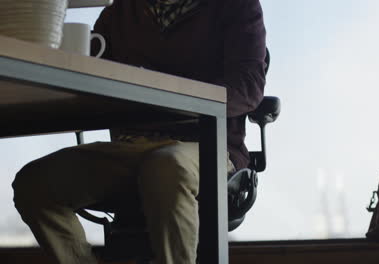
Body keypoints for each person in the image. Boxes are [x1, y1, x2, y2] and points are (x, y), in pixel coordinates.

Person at [12, 0, 266, 263]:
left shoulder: (235, 6)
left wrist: (170, 97)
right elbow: (96, 79)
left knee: (165, 166)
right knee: (35, 184)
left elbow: (248, 86)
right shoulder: (119, 13)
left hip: (208, 146)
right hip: (130, 146)